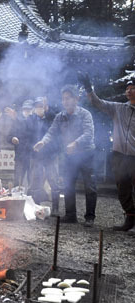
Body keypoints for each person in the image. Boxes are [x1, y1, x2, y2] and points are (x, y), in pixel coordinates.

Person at [34, 85, 97, 226]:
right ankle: (70, 215)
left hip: (86, 154)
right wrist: (42, 142)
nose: (65, 101)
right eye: (63, 99)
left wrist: (75, 143)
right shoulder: (60, 117)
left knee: (90, 186)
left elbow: (88, 134)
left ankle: (90, 217)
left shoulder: (85, 114)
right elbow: (51, 132)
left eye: (68, 98)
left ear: (77, 99)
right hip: (70, 155)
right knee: (68, 185)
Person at [79, 74, 135, 231]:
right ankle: (130, 220)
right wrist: (89, 88)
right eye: (127, 89)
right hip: (119, 155)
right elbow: (98, 103)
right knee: (123, 189)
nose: (129, 91)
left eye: (133, 89)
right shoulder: (119, 108)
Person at [27, 97, 62, 215]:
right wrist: (31, 148)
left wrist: (52, 150)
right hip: (36, 155)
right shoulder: (31, 119)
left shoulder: (52, 118)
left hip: (50, 154)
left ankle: (56, 208)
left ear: (45, 107)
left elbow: (56, 136)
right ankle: (37, 207)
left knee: (53, 181)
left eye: (41, 106)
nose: (38, 108)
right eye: (36, 106)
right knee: (36, 181)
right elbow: (28, 135)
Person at [8, 99, 35, 188]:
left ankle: (31, 198)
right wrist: (12, 138)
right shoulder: (17, 121)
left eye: (29, 110)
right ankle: (17, 198)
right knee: (17, 178)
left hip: (32, 155)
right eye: (25, 109)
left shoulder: (35, 121)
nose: (27, 111)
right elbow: (9, 136)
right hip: (20, 154)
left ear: (32, 110)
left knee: (31, 178)